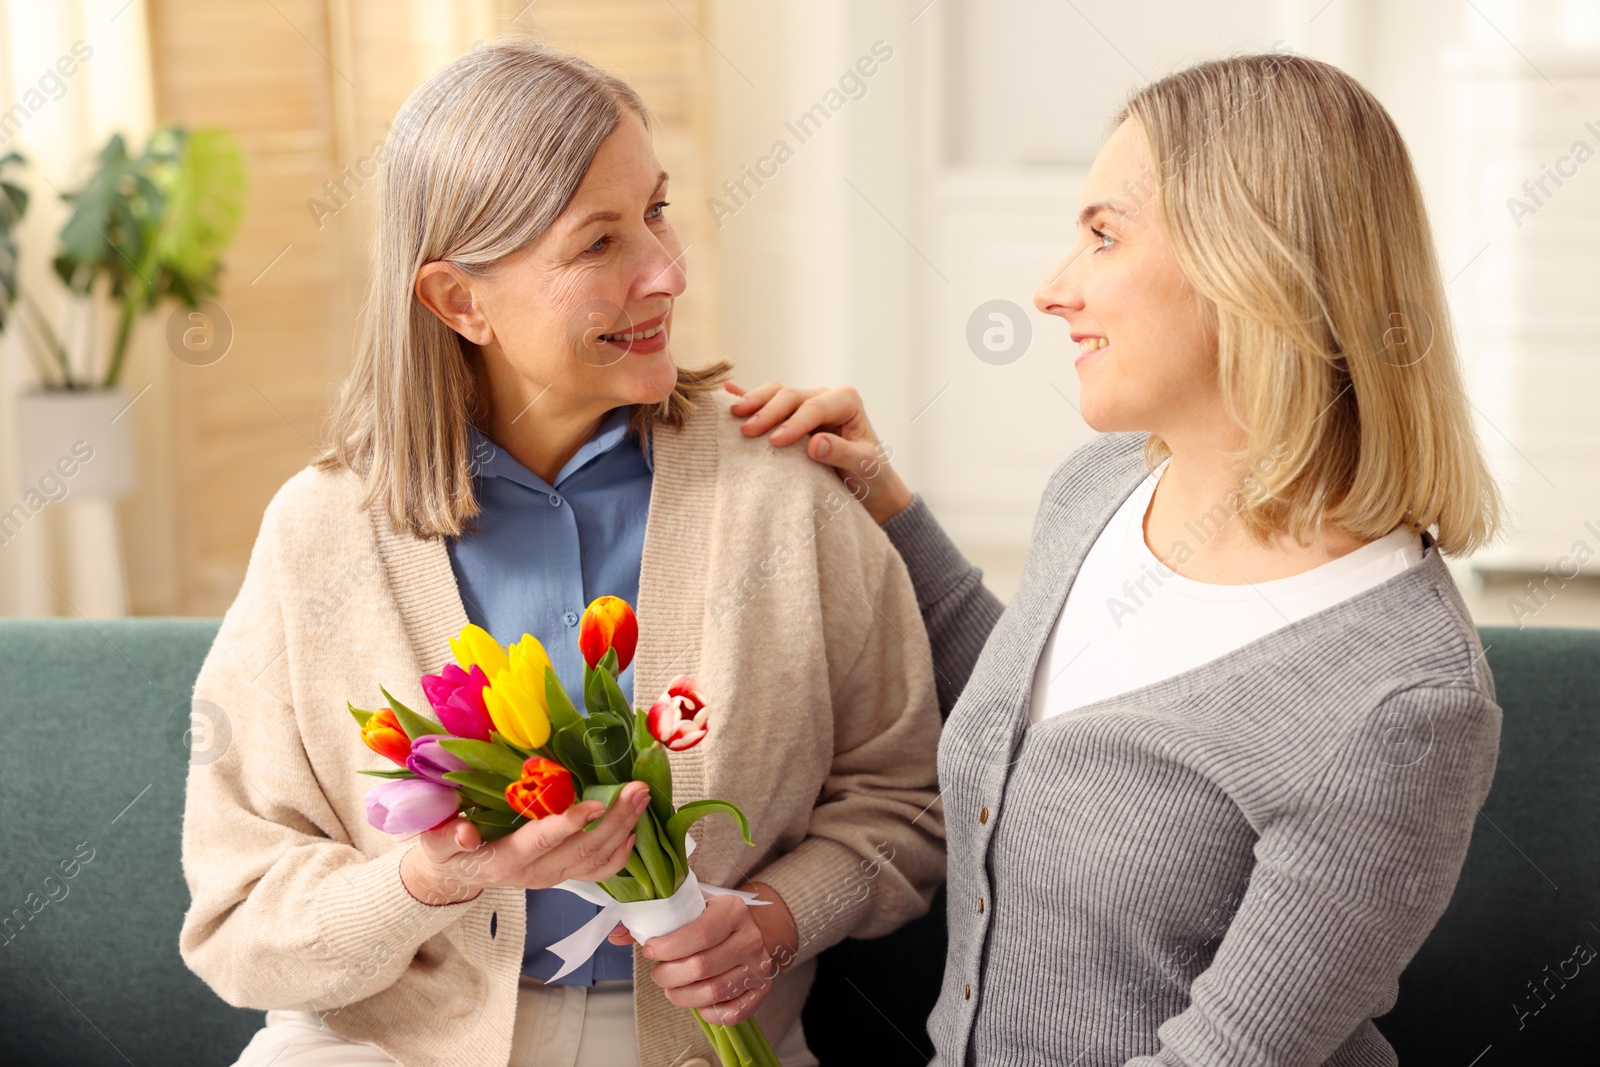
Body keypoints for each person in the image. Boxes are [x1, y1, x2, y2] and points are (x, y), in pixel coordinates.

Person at [177, 38, 945, 1067]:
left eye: (657, 212)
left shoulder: (783, 491)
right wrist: (431, 881)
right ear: (458, 301)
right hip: (379, 1042)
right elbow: (239, 917)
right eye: (598, 243)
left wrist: (770, 915)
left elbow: (906, 802)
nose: (666, 271)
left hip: (697, 1045)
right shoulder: (322, 531)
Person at [731, 53, 1503, 1066]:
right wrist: (883, 500)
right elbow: (1026, 713)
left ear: (1250, 262)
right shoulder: (1100, 485)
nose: (1052, 289)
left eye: (1103, 235)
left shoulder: (1400, 702)